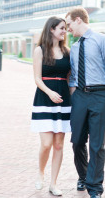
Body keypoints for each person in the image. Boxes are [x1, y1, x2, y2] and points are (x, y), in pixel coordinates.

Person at [66, 7, 105, 198]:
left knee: (97, 145)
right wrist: (74, 98)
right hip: (80, 96)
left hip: (100, 96)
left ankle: (95, 188)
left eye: (69, 24)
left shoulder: (102, 40)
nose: (67, 29)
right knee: (77, 141)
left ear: (79, 20)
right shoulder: (74, 48)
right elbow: (73, 77)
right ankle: (83, 176)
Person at [31, 16, 71, 196]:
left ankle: (53, 184)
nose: (65, 31)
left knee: (59, 145)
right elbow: (37, 79)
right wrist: (50, 93)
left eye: (65, 28)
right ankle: (40, 172)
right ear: (51, 29)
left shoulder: (67, 51)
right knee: (46, 144)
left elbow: (69, 79)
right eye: (62, 28)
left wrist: (72, 98)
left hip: (63, 102)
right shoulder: (39, 50)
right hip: (45, 99)